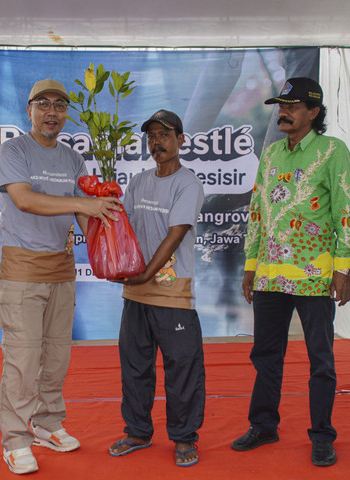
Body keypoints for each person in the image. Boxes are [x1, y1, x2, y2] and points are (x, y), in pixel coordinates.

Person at [231, 77, 350, 466]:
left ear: (314, 111)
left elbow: (345, 210)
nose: (283, 112)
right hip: (270, 274)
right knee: (265, 354)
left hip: (315, 277)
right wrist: (251, 265)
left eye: (292, 106)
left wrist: (344, 268)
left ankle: (322, 435)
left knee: (320, 358)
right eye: (281, 106)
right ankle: (263, 425)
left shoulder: (332, 150)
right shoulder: (271, 153)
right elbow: (257, 211)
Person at [0, 78, 122, 475]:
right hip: (21, 268)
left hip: (62, 268)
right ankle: (16, 439)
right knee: (22, 357)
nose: (52, 112)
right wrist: (84, 204)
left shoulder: (73, 159)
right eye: (44, 104)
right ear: (29, 110)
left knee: (56, 356)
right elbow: (24, 199)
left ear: (67, 113)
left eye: (60, 106)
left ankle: (47, 423)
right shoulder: (14, 150)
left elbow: (84, 215)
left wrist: (111, 251)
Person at [107, 110, 206, 467]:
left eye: (164, 135)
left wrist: (147, 273)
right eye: (151, 136)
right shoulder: (138, 182)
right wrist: (116, 263)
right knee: (135, 366)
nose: (156, 142)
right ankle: (137, 432)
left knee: (182, 367)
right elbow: (124, 230)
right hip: (136, 291)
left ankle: (184, 437)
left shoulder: (188, 184)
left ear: (181, 140)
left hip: (171, 291)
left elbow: (176, 234)